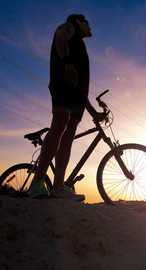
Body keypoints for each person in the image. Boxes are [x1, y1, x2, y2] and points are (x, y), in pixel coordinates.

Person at [30, 14, 105, 200]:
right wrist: (67, 62)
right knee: (60, 122)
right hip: (62, 83)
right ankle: (37, 182)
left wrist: (93, 112)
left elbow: (81, 88)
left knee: (70, 133)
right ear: (79, 22)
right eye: (88, 23)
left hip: (77, 96)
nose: (90, 27)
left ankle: (58, 187)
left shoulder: (80, 43)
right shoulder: (68, 26)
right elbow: (60, 38)